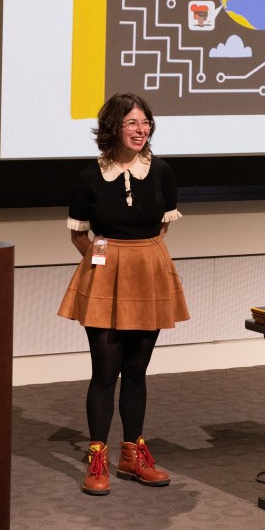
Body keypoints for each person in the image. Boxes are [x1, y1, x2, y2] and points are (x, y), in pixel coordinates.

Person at [57, 92, 189, 496]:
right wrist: (106, 261)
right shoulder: (89, 176)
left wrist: (141, 256)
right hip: (105, 274)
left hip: (149, 272)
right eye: (132, 122)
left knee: (136, 369)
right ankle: (98, 457)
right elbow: (80, 234)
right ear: (113, 128)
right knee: (105, 370)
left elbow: (162, 225)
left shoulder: (162, 171)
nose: (140, 129)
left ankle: (133, 454)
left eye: (145, 122)